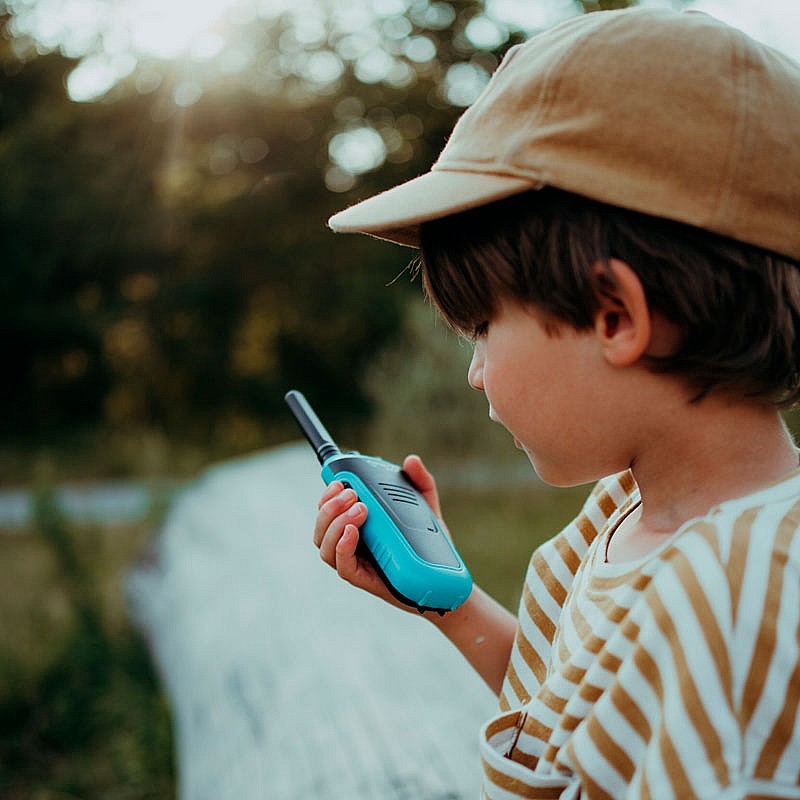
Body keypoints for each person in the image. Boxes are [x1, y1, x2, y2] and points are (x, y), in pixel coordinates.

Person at [313, 7, 800, 798]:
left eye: (479, 328)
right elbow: (573, 720)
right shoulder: (619, 516)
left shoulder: (746, 606)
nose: (474, 374)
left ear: (615, 317)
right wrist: (450, 603)